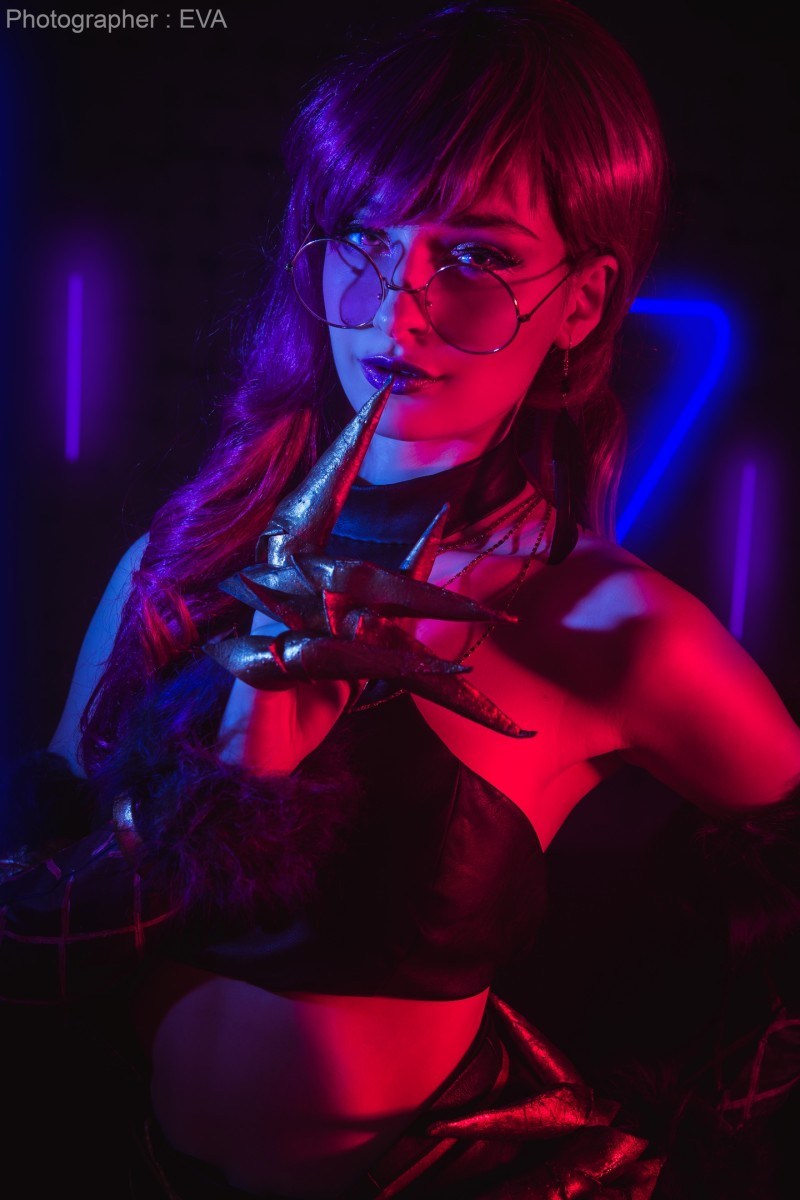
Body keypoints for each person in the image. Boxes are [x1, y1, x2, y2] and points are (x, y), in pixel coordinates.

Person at [1, 3, 798, 1198]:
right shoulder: (174, 560)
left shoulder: (610, 630)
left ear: (581, 303)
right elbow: (36, 899)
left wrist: (706, 1121)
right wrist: (216, 796)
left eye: (475, 256)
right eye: (363, 237)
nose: (398, 304)